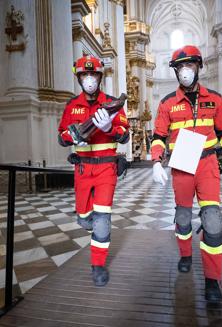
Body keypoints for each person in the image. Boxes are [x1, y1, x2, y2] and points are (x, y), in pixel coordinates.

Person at [151, 45, 222, 302]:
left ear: (198, 67)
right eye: (180, 67)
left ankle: (213, 280)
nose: (185, 71)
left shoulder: (215, 98)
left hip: (207, 163)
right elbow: (158, 136)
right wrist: (156, 161)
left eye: (189, 66)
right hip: (181, 164)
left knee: (212, 219)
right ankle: (185, 254)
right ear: (175, 71)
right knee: (182, 216)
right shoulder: (167, 102)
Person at [58, 55, 129, 287]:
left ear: (100, 77)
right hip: (82, 168)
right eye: (85, 75)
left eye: (94, 74)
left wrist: (109, 128)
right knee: (85, 218)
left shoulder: (112, 103)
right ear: (79, 78)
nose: (90, 79)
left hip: (106, 168)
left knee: (102, 218)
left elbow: (124, 134)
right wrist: (72, 137)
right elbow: (61, 136)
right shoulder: (71, 105)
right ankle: (85, 218)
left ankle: (98, 265)